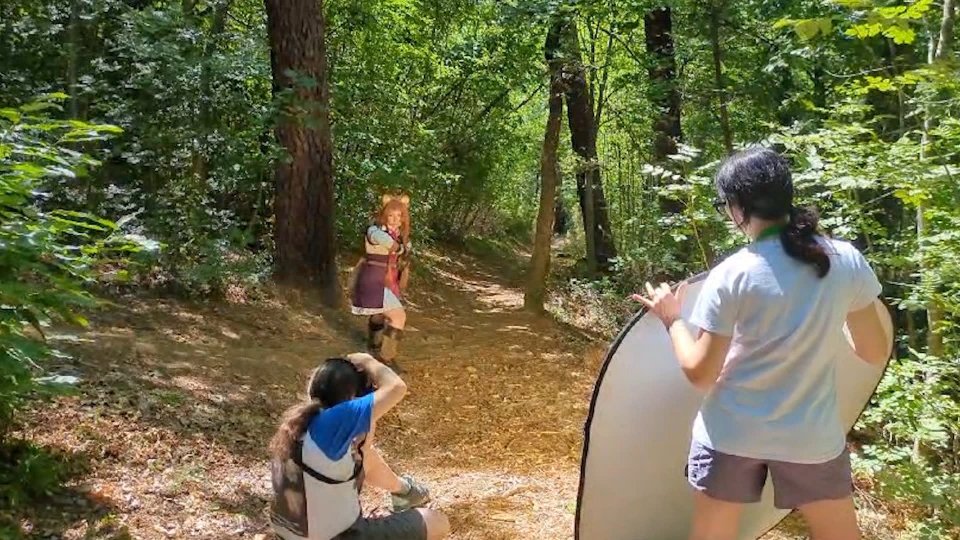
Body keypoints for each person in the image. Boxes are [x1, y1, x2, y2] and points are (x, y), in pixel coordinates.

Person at [633, 147, 892, 540]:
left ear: (738, 207)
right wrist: (822, 320)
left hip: (730, 434)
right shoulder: (846, 261)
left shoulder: (733, 273)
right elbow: (873, 351)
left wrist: (672, 320)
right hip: (812, 437)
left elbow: (701, 374)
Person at [268, 353, 449, 540]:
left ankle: (404, 493)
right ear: (352, 398)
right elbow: (396, 387)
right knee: (437, 522)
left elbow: (366, 459)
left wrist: (404, 489)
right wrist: (368, 361)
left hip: (287, 535)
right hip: (340, 537)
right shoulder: (334, 422)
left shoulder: (300, 425)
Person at [351, 194, 413, 369]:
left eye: (399, 216)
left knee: (379, 313)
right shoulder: (375, 231)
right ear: (384, 215)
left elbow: (402, 253)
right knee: (398, 315)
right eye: (391, 215)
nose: (394, 220)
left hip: (388, 279)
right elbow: (393, 246)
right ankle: (386, 358)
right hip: (373, 279)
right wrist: (403, 247)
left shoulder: (399, 235)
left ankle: (373, 346)